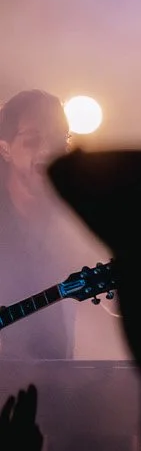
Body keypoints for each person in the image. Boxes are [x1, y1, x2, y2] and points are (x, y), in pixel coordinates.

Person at [0, 91, 79, 359]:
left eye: (58, 140)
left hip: (59, 377)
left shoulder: (78, 218)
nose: (47, 152)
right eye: (32, 141)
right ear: (5, 148)